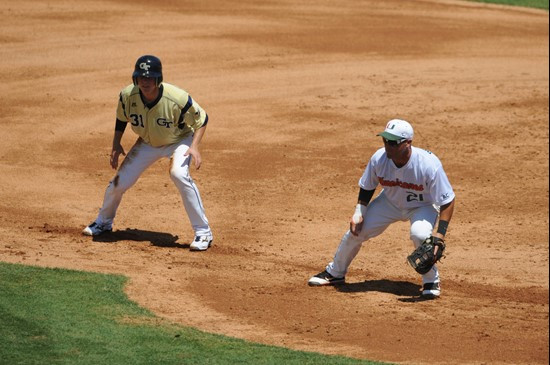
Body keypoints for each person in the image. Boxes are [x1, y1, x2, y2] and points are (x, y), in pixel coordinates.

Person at [308, 119, 455, 298]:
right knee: (356, 231)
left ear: (408, 143)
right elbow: (367, 185)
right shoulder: (379, 158)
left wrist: (440, 234)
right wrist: (359, 212)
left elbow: (448, 200)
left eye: (393, 142)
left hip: (422, 206)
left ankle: (431, 280)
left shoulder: (428, 165)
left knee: (421, 235)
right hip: (390, 202)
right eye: (385, 140)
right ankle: (335, 273)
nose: (387, 146)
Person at [82, 55, 213, 251]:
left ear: (158, 79)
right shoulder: (128, 95)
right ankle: (103, 222)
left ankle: (203, 232)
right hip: (147, 142)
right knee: (119, 183)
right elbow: (121, 119)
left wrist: (194, 146)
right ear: (135, 78)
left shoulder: (177, 98)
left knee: (178, 174)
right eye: (141, 77)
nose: (145, 82)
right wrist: (116, 143)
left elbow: (202, 119)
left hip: (179, 140)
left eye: (150, 78)